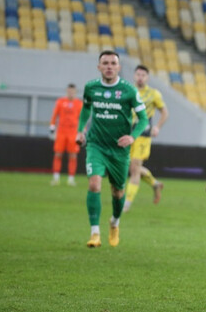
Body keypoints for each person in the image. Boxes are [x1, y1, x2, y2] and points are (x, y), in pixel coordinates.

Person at [76, 50, 149, 248]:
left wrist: (132, 136)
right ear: (99, 67)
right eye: (105, 63)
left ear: (118, 67)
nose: (109, 66)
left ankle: (115, 222)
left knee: (117, 192)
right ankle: (95, 233)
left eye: (113, 63)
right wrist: (80, 130)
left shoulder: (129, 90)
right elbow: (85, 109)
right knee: (94, 184)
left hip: (119, 149)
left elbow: (143, 119)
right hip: (96, 145)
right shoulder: (91, 87)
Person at [122, 65, 169, 213]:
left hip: (143, 135)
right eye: (138, 75)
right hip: (128, 134)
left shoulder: (154, 94)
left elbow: (164, 112)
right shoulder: (128, 91)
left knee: (134, 169)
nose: (140, 77)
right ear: (134, 76)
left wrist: (157, 127)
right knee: (132, 168)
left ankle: (126, 204)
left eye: (143, 75)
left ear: (147, 78)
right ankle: (154, 183)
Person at [49, 83, 83, 186]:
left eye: (73, 91)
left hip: (73, 132)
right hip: (61, 131)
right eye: (69, 91)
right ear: (66, 91)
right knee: (58, 154)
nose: (71, 93)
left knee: (73, 155)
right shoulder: (60, 101)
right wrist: (52, 126)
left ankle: (71, 179)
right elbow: (55, 114)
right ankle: (56, 178)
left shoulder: (79, 103)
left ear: (75, 92)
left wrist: (83, 130)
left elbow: (82, 118)